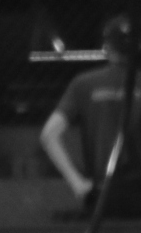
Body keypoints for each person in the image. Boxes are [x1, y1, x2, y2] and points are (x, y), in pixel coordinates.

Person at [40, 14, 141, 219]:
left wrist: (77, 183)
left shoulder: (85, 84)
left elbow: (49, 135)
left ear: (107, 47)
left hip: (101, 191)